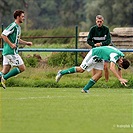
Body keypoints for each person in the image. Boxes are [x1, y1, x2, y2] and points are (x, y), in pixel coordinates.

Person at [55, 46, 130, 93]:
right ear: (121, 61)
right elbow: (112, 68)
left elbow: (119, 69)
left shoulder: (121, 57)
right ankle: (61, 72)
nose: (119, 66)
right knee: (81, 70)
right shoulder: (115, 56)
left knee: (99, 74)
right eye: (120, 65)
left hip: (100, 57)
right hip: (94, 53)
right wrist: (120, 78)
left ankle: (85, 89)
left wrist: (121, 79)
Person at [0, 10, 32, 89]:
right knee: (22, 68)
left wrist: (26, 43)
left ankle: (2, 77)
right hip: (11, 52)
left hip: (7, 52)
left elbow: (17, 40)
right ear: (17, 17)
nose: (23, 18)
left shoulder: (18, 27)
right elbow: (3, 35)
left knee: (5, 71)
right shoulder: (13, 25)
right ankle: (4, 79)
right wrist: (11, 45)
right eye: (22, 16)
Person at [87, 15, 111, 82]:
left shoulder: (106, 29)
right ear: (96, 21)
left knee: (105, 66)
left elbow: (108, 41)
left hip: (104, 50)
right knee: (94, 66)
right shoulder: (92, 29)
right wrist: (94, 45)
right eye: (98, 21)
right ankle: (93, 81)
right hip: (95, 50)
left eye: (100, 21)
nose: (99, 23)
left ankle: (107, 81)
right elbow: (88, 40)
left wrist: (101, 44)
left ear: (103, 21)